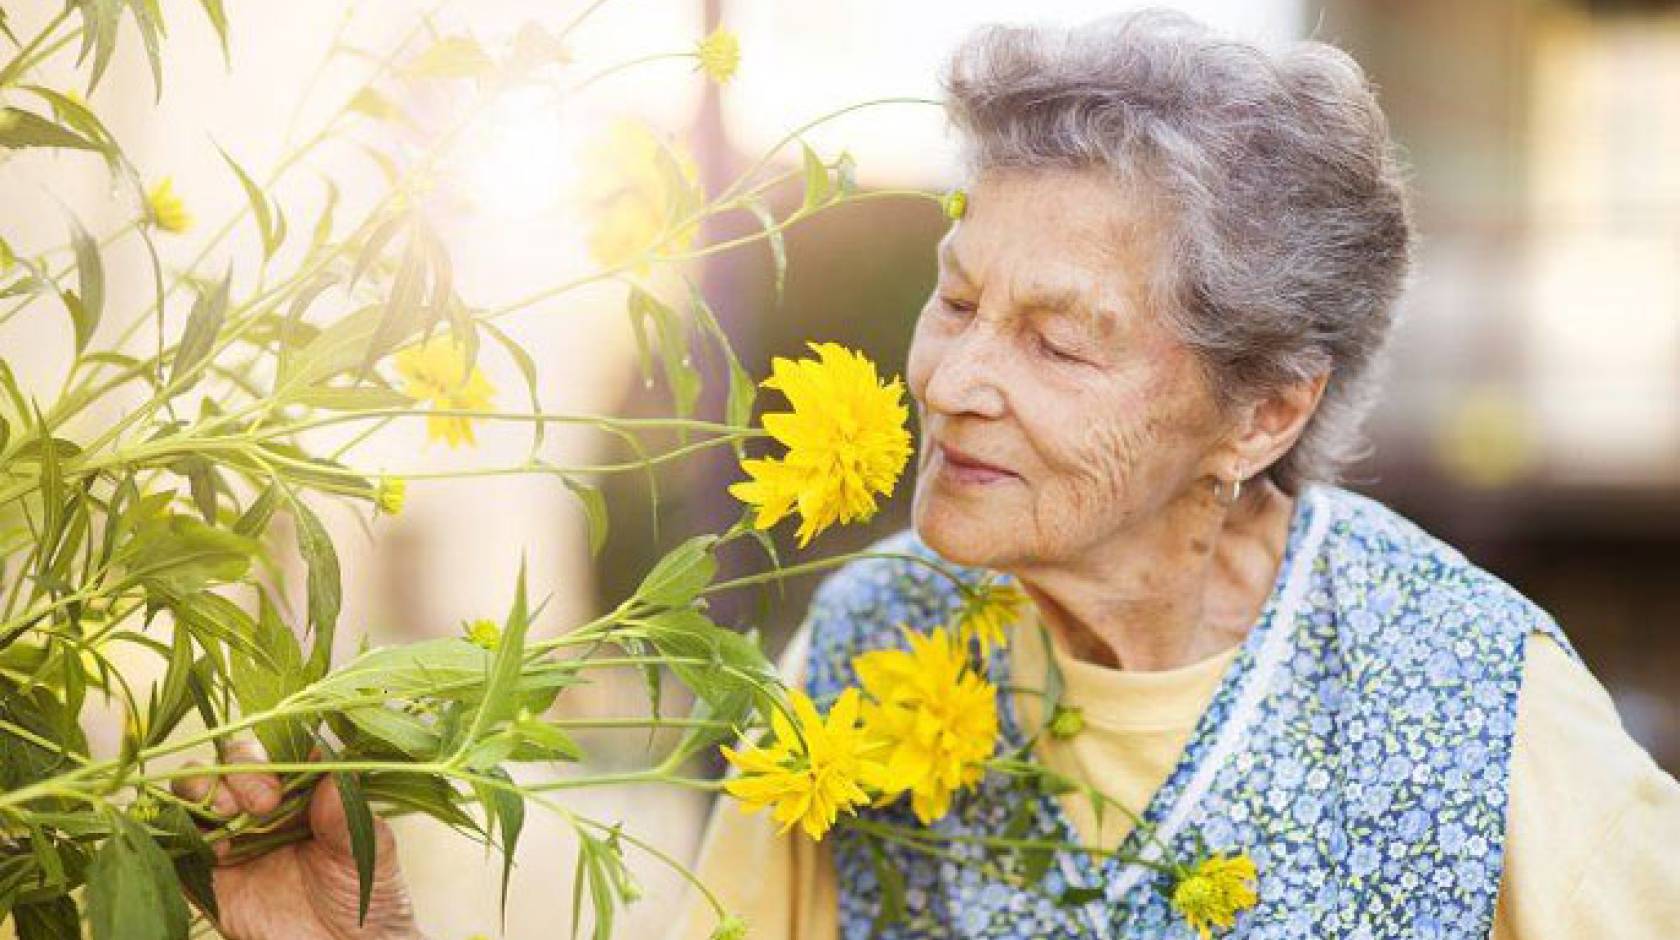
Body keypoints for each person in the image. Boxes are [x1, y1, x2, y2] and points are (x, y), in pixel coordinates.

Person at [178, 8, 1680, 940]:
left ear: (1263, 416)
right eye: (957, 298)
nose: (952, 379)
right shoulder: (861, 641)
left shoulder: (1478, 702)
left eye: (1060, 341)